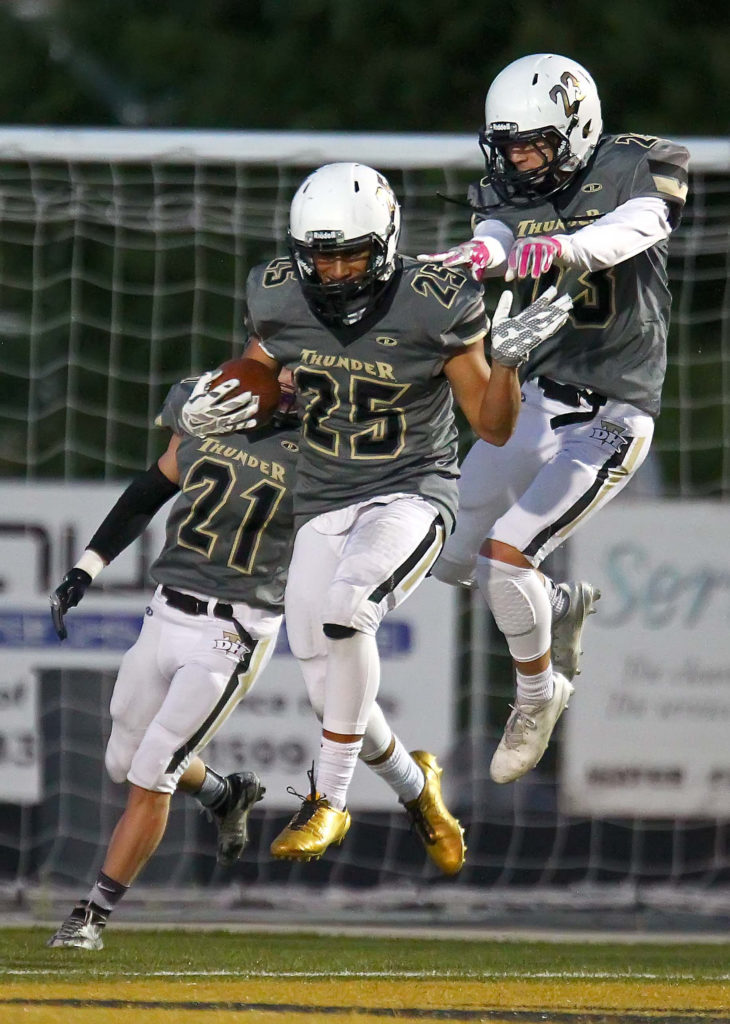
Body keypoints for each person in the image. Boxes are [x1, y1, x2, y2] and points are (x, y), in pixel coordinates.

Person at [181, 161, 572, 862]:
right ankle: (416, 785)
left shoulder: (433, 300)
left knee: (349, 610)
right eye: (319, 257)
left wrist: (508, 364)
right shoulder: (276, 294)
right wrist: (219, 406)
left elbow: (493, 426)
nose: (332, 273)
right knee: (327, 682)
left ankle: (327, 800)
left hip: (410, 490)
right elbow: (258, 385)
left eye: (349, 254)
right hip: (322, 497)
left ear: (387, 242)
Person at [419, 53, 690, 784]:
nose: (517, 160)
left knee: (510, 558)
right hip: (543, 396)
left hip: (617, 408)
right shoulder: (507, 188)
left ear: (575, 128)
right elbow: (500, 238)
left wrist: (564, 247)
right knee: (443, 555)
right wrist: (476, 255)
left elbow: (639, 226)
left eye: (531, 145)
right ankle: (558, 608)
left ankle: (538, 698)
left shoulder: (636, 164)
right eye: (507, 147)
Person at [46, 375, 300, 950]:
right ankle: (222, 793)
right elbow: (144, 494)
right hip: (165, 613)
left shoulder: (317, 449)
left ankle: (92, 914)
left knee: (153, 770)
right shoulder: (205, 419)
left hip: (232, 628)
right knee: (123, 760)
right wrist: (85, 568)